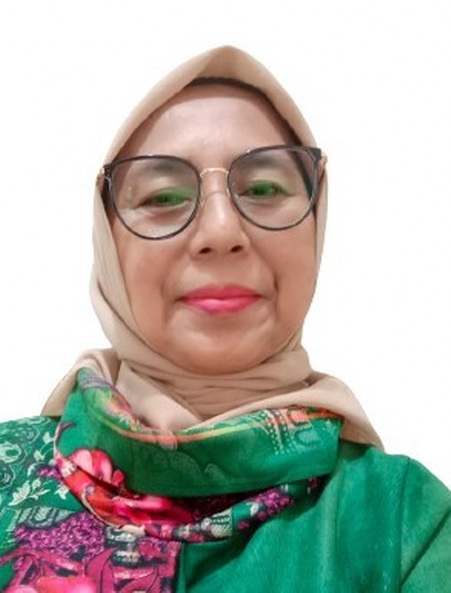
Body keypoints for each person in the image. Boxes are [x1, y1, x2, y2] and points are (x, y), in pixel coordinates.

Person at [0, 45, 449, 592]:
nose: (220, 232)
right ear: (107, 242)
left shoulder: (401, 521)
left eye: (263, 189)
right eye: (163, 196)